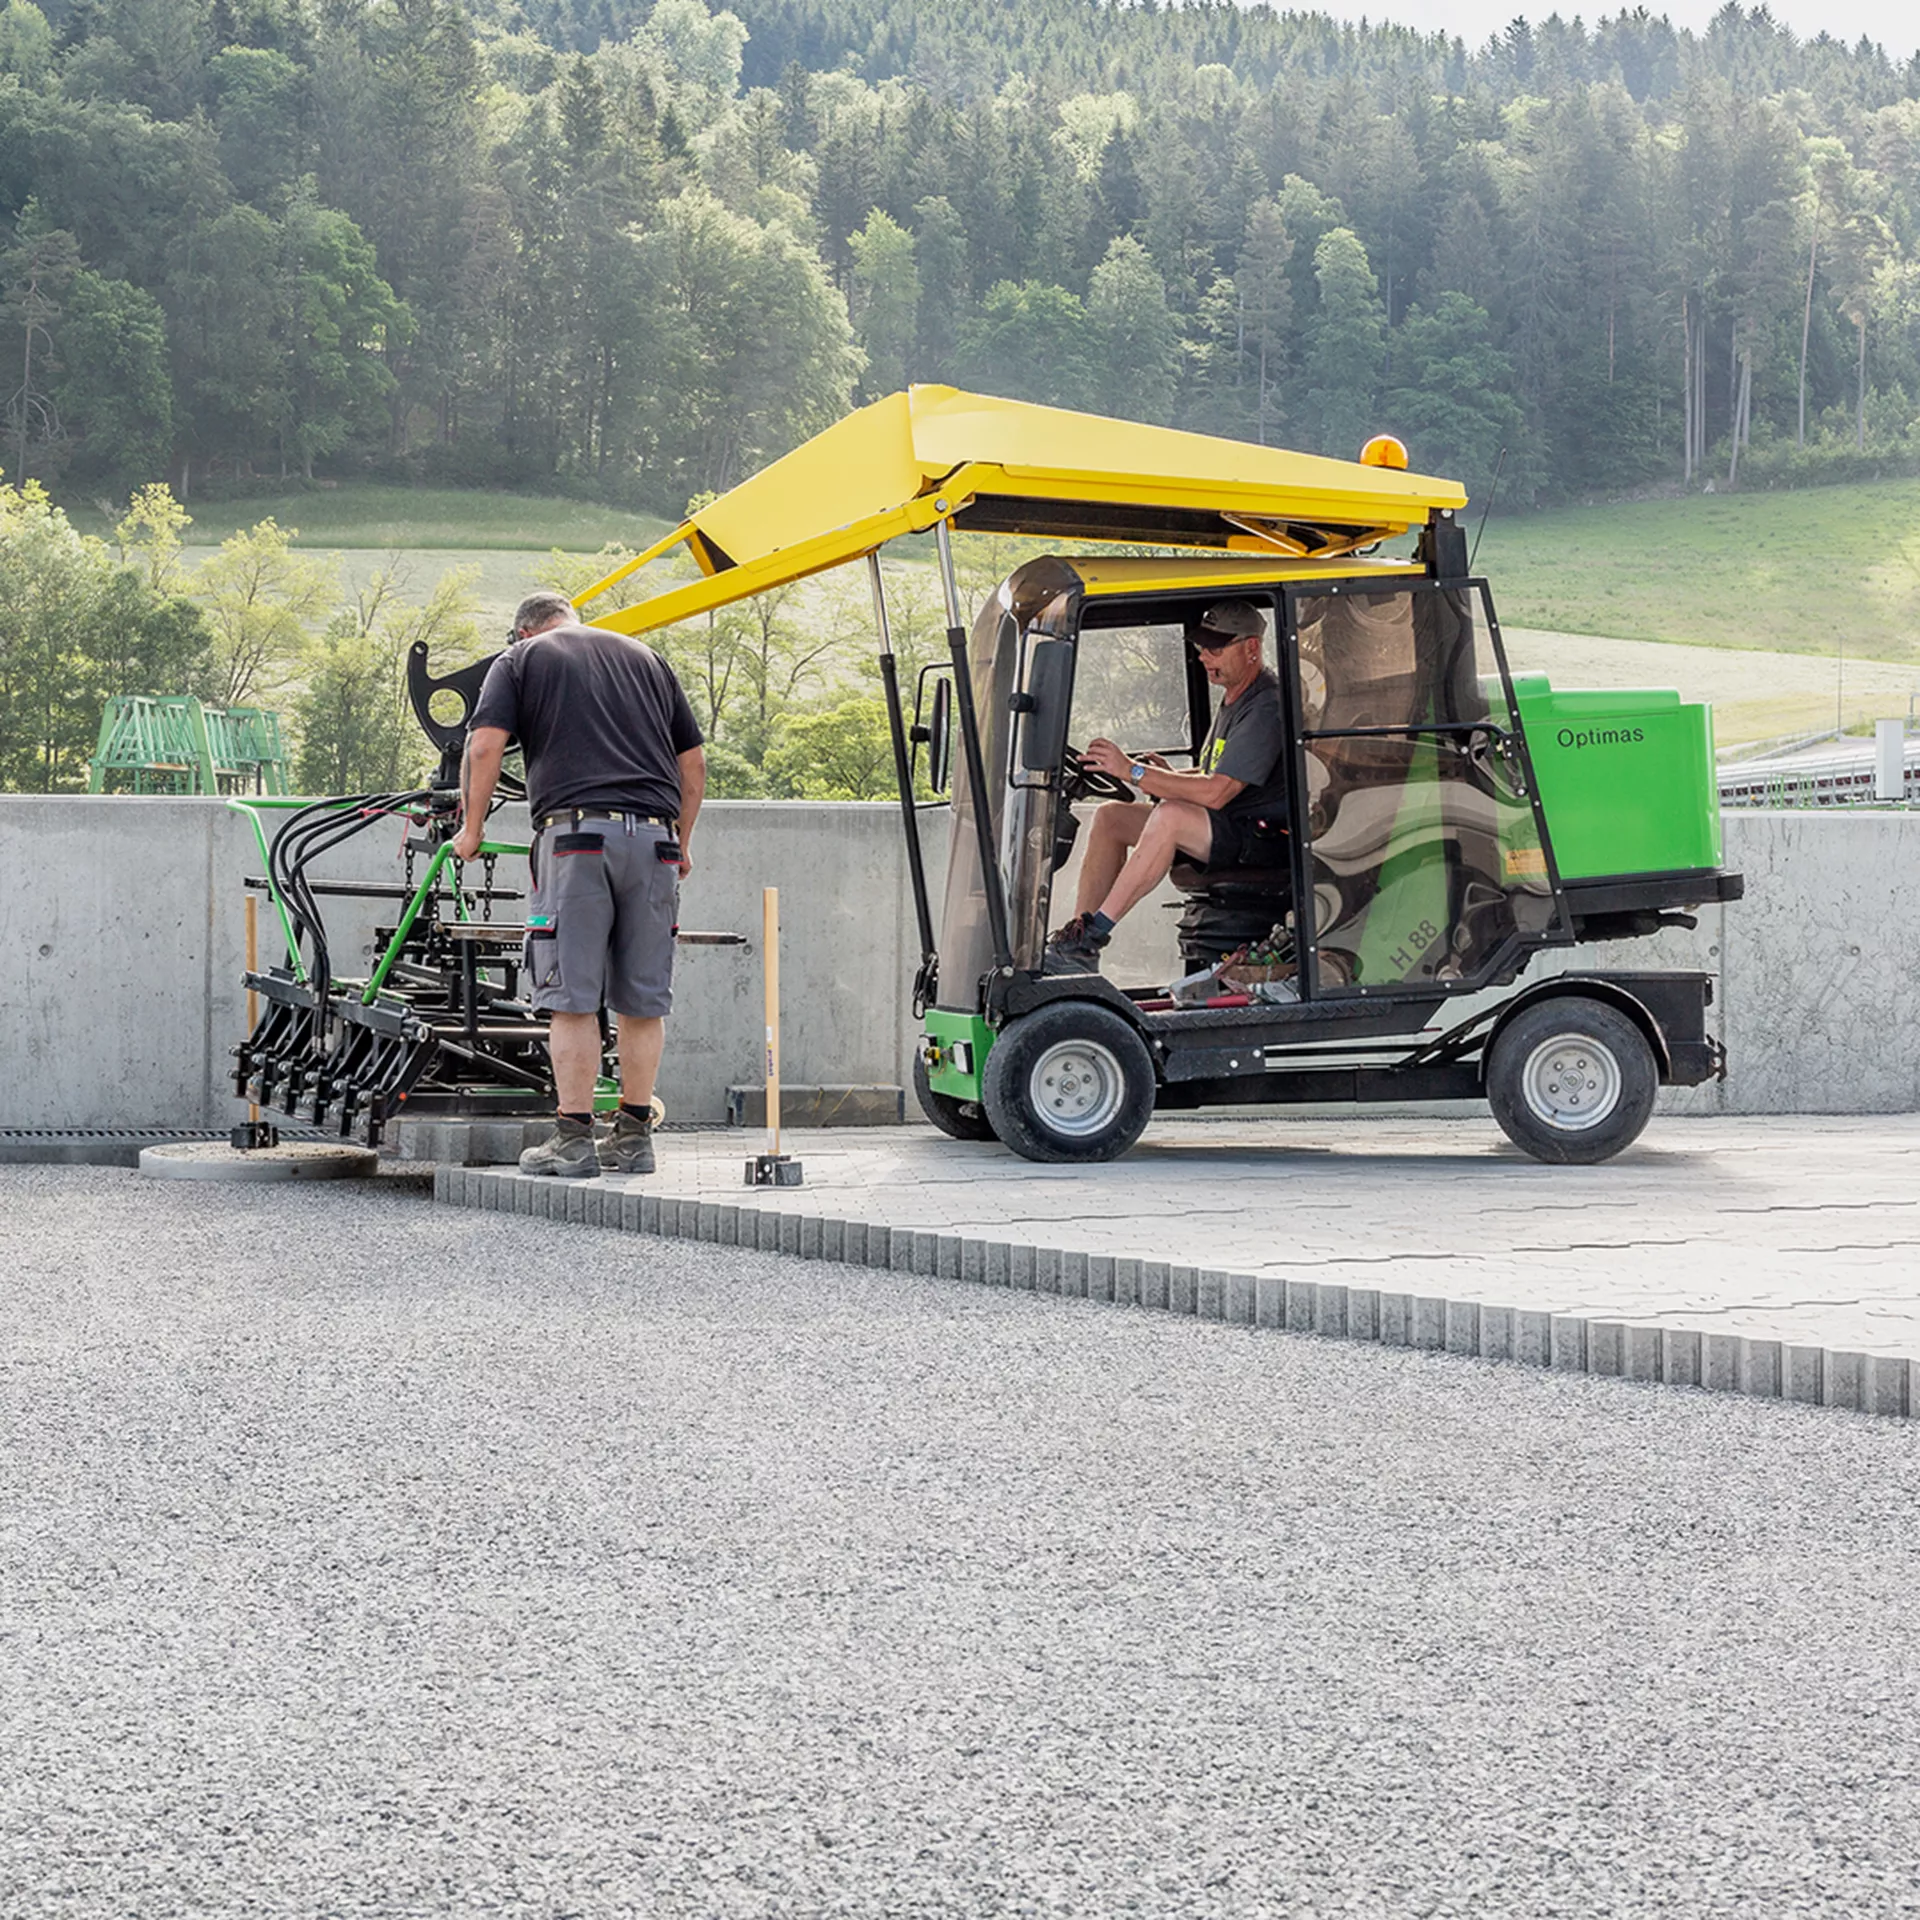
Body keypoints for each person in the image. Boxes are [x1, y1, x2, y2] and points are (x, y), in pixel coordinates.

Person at [452, 591, 706, 1178]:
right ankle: (634, 1138)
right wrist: (684, 842)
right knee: (642, 1000)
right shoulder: (646, 659)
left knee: (570, 997)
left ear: (523, 632)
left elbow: (484, 745)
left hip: (578, 841)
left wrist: (472, 829)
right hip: (656, 843)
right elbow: (692, 763)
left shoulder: (521, 659)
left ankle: (572, 1140)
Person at [1044, 599, 1287, 974]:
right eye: (1202, 647)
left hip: (1258, 837)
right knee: (1111, 818)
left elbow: (1218, 791)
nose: (1204, 656)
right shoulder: (1234, 697)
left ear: (1251, 647)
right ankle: (1077, 947)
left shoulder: (1265, 705)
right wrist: (1166, 776)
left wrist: (1134, 772)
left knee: (1170, 817)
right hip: (1226, 825)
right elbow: (1214, 771)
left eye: (1215, 648)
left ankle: (1095, 934)